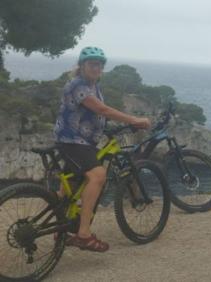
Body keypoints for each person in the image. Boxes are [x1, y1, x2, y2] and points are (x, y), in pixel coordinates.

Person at [54, 46, 151, 252]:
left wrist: (109, 127)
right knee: (98, 175)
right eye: (92, 64)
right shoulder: (78, 84)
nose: (96, 68)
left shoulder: (94, 85)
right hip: (73, 141)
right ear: (82, 66)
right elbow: (102, 109)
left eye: (99, 65)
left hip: (81, 141)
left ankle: (59, 228)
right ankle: (84, 234)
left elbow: (95, 115)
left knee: (69, 184)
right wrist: (133, 119)